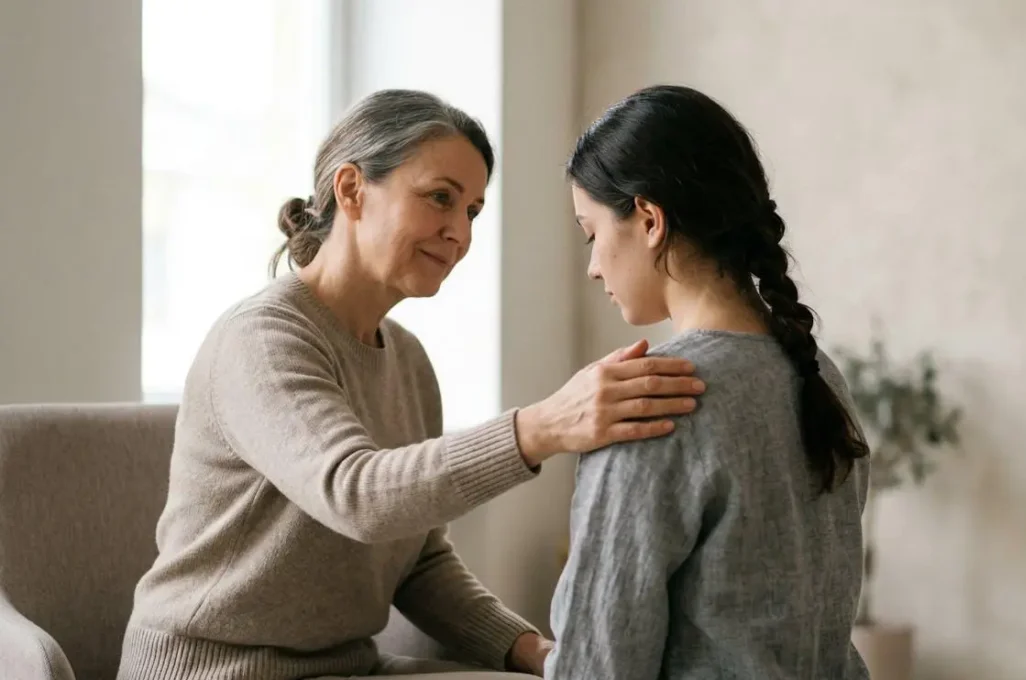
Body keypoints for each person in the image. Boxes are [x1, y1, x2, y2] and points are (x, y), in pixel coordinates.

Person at [116, 89, 706, 680]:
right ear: (351, 190)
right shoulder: (260, 340)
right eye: (440, 198)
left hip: (347, 666)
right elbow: (357, 496)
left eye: (472, 211)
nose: (459, 234)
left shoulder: (408, 360)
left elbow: (418, 563)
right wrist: (543, 426)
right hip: (213, 669)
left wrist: (533, 651)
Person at [544, 84, 873, 680]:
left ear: (648, 219)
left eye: (591, 233)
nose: (592, 266)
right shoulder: (821, 376)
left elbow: (597, 663)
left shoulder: (648, 399)